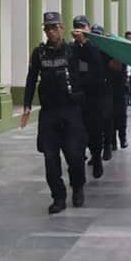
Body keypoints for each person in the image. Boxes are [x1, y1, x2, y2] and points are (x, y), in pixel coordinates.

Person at [21, 12, 89, 214]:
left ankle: (77, 187)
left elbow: (90, 63)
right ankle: (58, 197)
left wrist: (84, 42)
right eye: (48, 28)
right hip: (49, 112)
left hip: (71, 111)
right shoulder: (39, 53)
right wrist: (26, 104)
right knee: (50, 159)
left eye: (55, 27)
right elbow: (31, 78)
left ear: (61, 28)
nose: (51, 31)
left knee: (75, 156)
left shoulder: (73, 50)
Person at [72, 16, 105, 179]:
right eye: (76, 27)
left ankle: (96, 157)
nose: (79, 30)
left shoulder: (95, 46)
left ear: (88, 28)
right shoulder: (72, 48)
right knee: (77, 133)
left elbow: (98, 63)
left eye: (82, 27)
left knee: (95, 131)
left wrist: (85, 42)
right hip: (78, 96)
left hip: (94, 95)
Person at [90, 24, 115, 162]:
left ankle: (107, 146)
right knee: (92, 124)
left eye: (98, 35)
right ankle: (95, 153)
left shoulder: (106, 51)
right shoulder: (87, 50)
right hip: (90, 91)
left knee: (106, 120)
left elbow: (115, 67)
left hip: (105, 90)